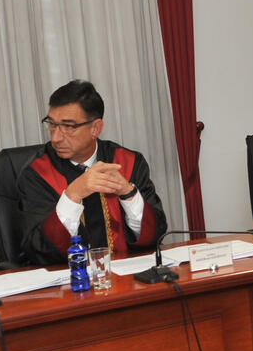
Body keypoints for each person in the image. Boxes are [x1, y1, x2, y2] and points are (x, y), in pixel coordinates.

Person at [17, 80, 167, 265]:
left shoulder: (127, 162)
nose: (55, 138)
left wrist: (128, 193)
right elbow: (38, 249)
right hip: (68, 277)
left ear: (95, 128)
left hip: (127, 274)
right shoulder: (36, 173)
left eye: (68, 127)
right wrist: (72, 195)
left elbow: (154, 235)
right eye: (52, 124)